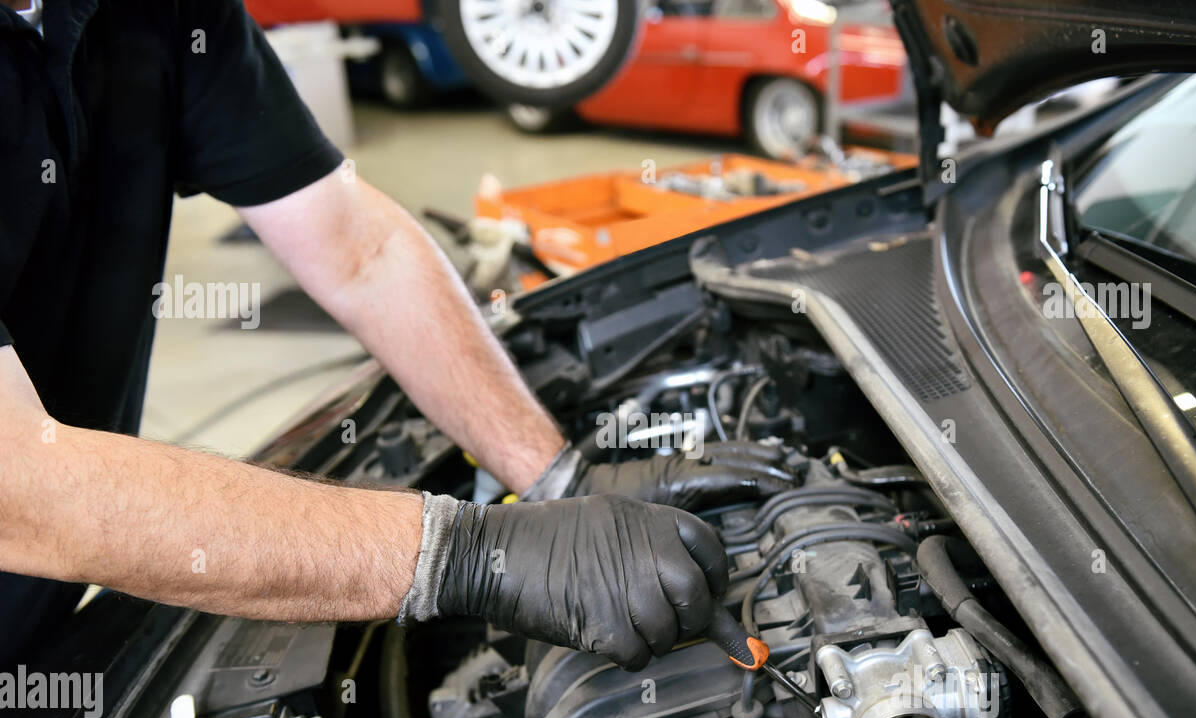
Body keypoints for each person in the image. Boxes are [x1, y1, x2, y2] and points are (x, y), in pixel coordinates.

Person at [0, 0, 793, 667]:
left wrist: (556, 475)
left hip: (52, 611)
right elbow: (21, 482)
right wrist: (470, 555)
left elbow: (357, 245)